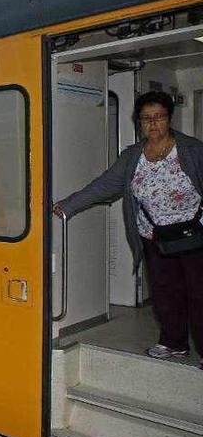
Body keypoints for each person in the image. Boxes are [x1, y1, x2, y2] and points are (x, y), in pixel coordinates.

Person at [54, 91, 203, 369]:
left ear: (169, 118)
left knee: (198, 293)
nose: (153, 123)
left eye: (158, 117)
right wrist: (67, 206)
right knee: (164, 292)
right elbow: (104, 186)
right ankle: (174, 343)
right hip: (154, 238)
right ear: (139, 122)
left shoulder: (193, 150)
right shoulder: (133, 156)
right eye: (146, 118)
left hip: (193, 236)